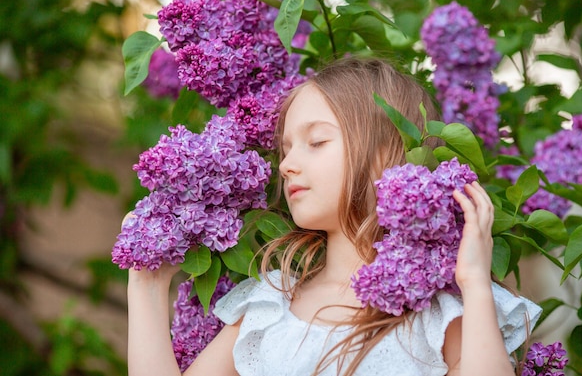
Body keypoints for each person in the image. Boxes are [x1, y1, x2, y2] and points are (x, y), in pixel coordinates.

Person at [126, 56, 541, 376]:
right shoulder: (272, 303)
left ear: (386, 154)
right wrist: (145, 286)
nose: (286, 164)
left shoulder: (437, 311)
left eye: (316, 141)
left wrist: (473, 282)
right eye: (285, 148)